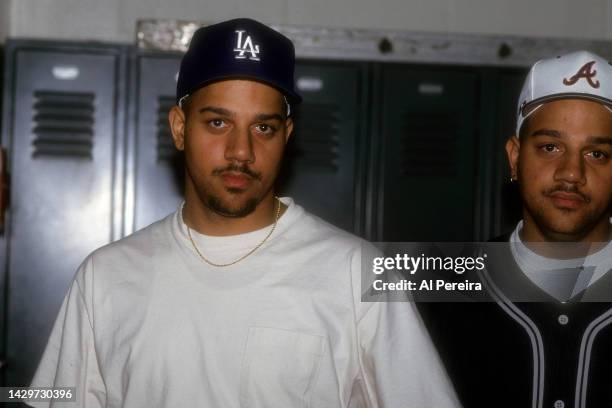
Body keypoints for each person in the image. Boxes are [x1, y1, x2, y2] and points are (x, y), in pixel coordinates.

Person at [27, 18, 459, 408]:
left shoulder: (359, 273)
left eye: (263, 127)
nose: (241, 151)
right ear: (180, 128)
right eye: (218, 123)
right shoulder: (105, 276)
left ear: (286, 135)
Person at [418, 50, 612, 407]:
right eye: (550, 147)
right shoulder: (440, 299)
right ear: (515, 157)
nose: (572, 173)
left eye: (596, 154)